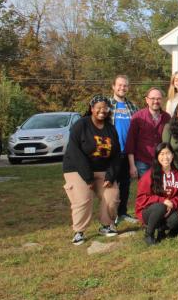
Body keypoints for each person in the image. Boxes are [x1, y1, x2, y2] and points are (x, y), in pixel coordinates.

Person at [62, 95, 121, 245]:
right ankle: (79, 231)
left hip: (102, 170)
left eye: (105, 108)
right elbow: (74, 152)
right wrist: (87, 177)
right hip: (77, 169)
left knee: (112, 196)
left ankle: (106, 225)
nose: (102, 111)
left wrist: (110, 175)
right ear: (92, 108)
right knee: (83, 198)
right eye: (99, 108)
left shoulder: (110, 129)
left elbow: (116, 155)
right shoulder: (81, 125)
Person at [135, 143, 178, 245]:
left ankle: (161, 230)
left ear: (172, 155)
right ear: (157, 156)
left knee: (176, 219)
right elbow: (141, 198)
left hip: (170, 209)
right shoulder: (149, 174)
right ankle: (149, 234)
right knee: (160, 207)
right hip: (150, 211)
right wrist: (163, 201)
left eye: (168, 153)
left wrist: (172, 203)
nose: (165, 157)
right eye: (162, 154)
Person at [107, 75, 139, 225]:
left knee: (125, 184)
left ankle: (123, 213)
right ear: (113, 86)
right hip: (112, 152)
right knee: (112, 186)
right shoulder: (106, 105)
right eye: (119, 85)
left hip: (128, 152)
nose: (122, 88)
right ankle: (109, 217)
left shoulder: (132, 107)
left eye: (125, 85)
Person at [126, 87, 171, 180]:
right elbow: (131, 142)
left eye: (158, 98)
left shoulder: (167, 117)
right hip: (142, 161)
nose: (156, 101)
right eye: (152, 98)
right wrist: (132, 165)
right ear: (147, 100)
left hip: (161, 160)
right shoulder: (137, 117)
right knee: (146, 189)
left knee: (161, 189)